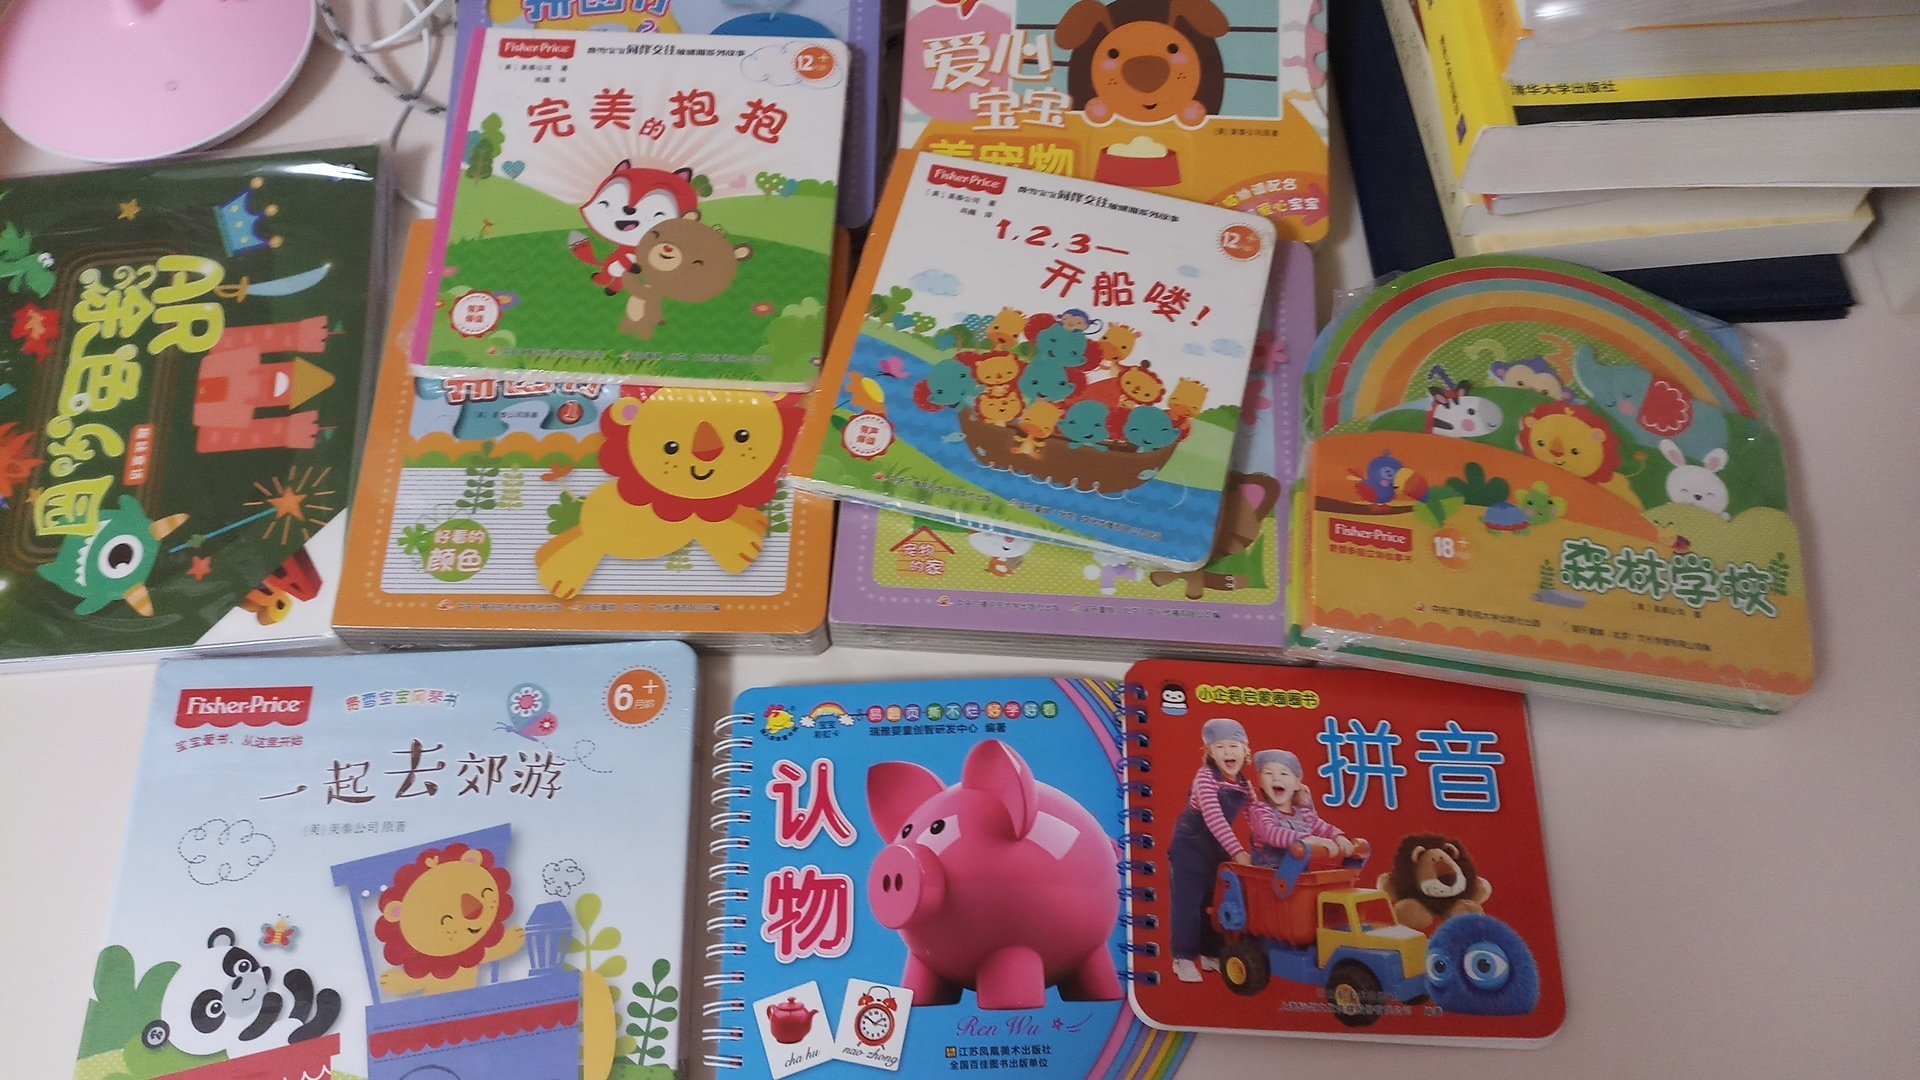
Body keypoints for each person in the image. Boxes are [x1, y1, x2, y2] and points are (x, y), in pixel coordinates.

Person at [1168, 717, 1253, 982]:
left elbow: (1256, 816)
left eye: (1234, 746)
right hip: (1190, 844)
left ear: (1245, 751)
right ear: (1210, 752)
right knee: (1189, 901)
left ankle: (1211, 953)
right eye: (1220, 747)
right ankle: (1183, 958)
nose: (1228, 752)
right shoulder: (1205, 777)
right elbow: (1214, 818)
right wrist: (1239, 852)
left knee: (1216, 899)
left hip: (1218, 846)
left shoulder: (1245, 785)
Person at [1246, 749, 1355, 867]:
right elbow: (1271, 833)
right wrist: (1309, 839)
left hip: (1297, 873)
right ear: (1260, 782)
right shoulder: (1260, 810)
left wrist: (1338, 838)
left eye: (1284, 774)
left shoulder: (1305, 814)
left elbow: (1325, 829)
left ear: (1297, 784)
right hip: (1267, 873)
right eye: (1268, 773)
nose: (1276, 778)